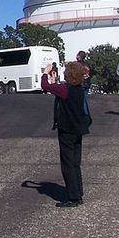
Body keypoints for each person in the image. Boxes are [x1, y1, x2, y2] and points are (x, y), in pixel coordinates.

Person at [41, 61, 92, 208]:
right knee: (75, 164)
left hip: (67, 130)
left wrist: (45, 73)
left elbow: (45, 86)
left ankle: (73, 198)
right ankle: (78, 194)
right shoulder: (80, 88)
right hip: (78, 129)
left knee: (67, 164)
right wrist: (53, 77)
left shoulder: (65, 89)